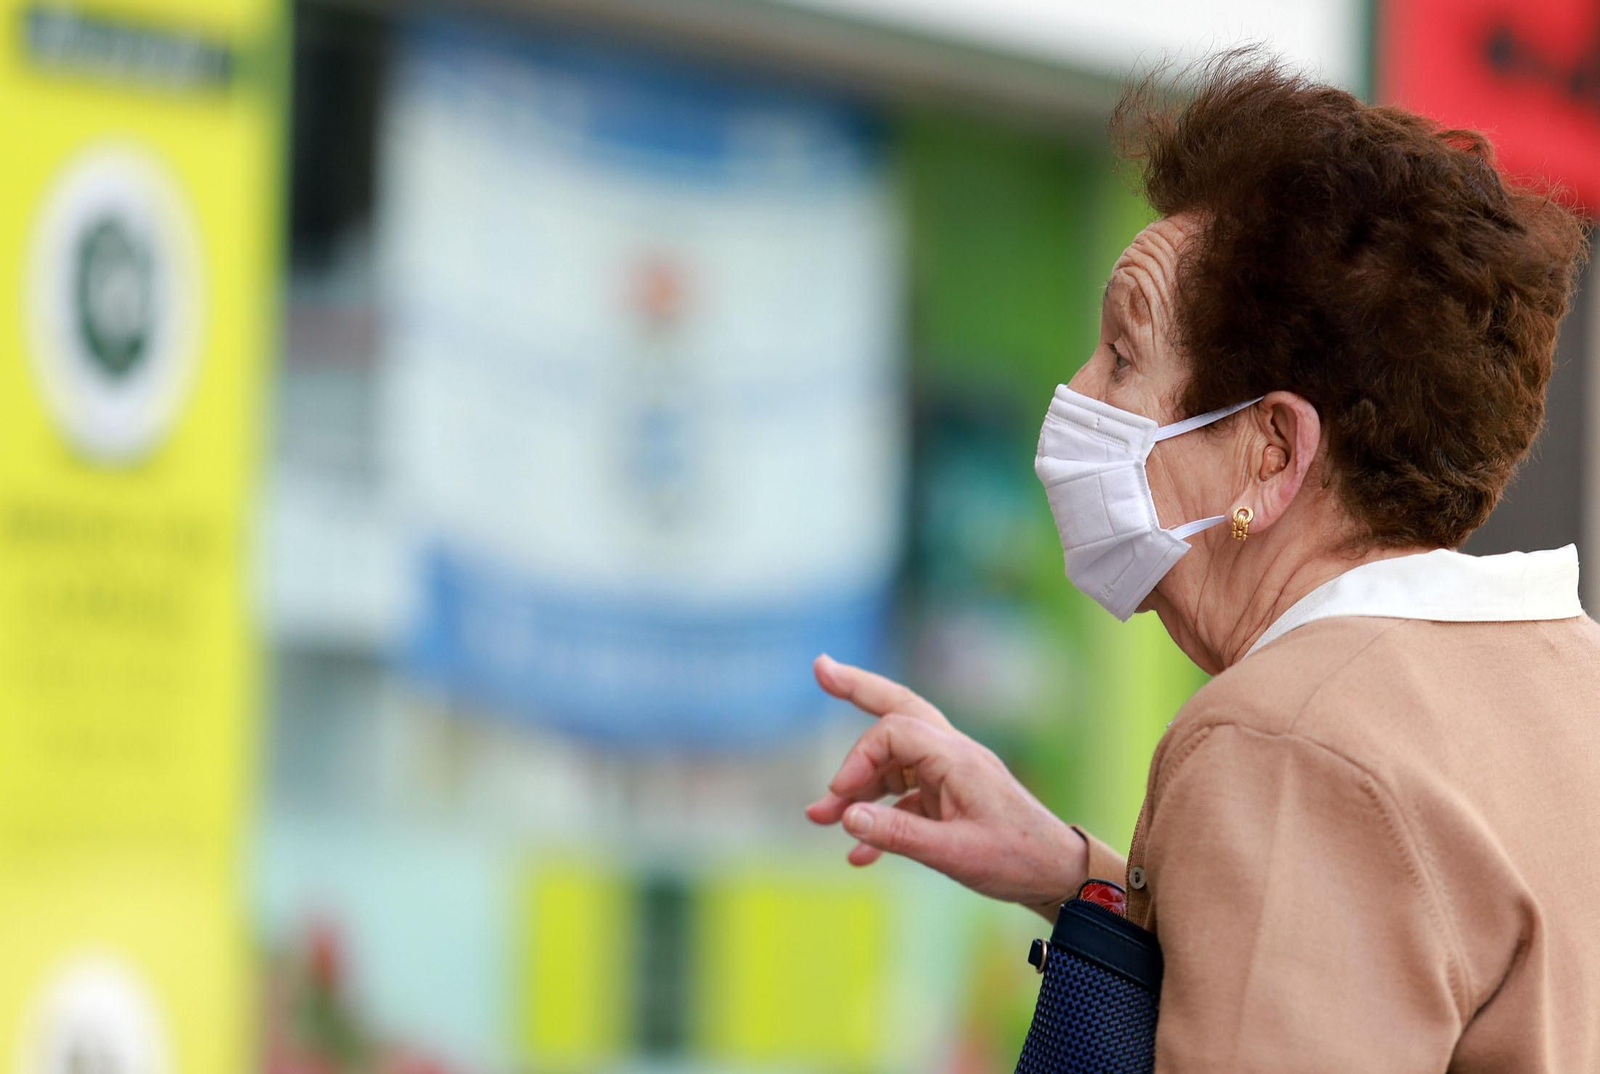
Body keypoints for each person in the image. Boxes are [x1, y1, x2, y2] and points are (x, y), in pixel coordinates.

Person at [807, 55, 1595, 1070]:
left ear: (1268, 455)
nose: (1076, 389)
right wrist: (1075, 874)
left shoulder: (1289, 739)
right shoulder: (1563, 683)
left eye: (1122, 355)